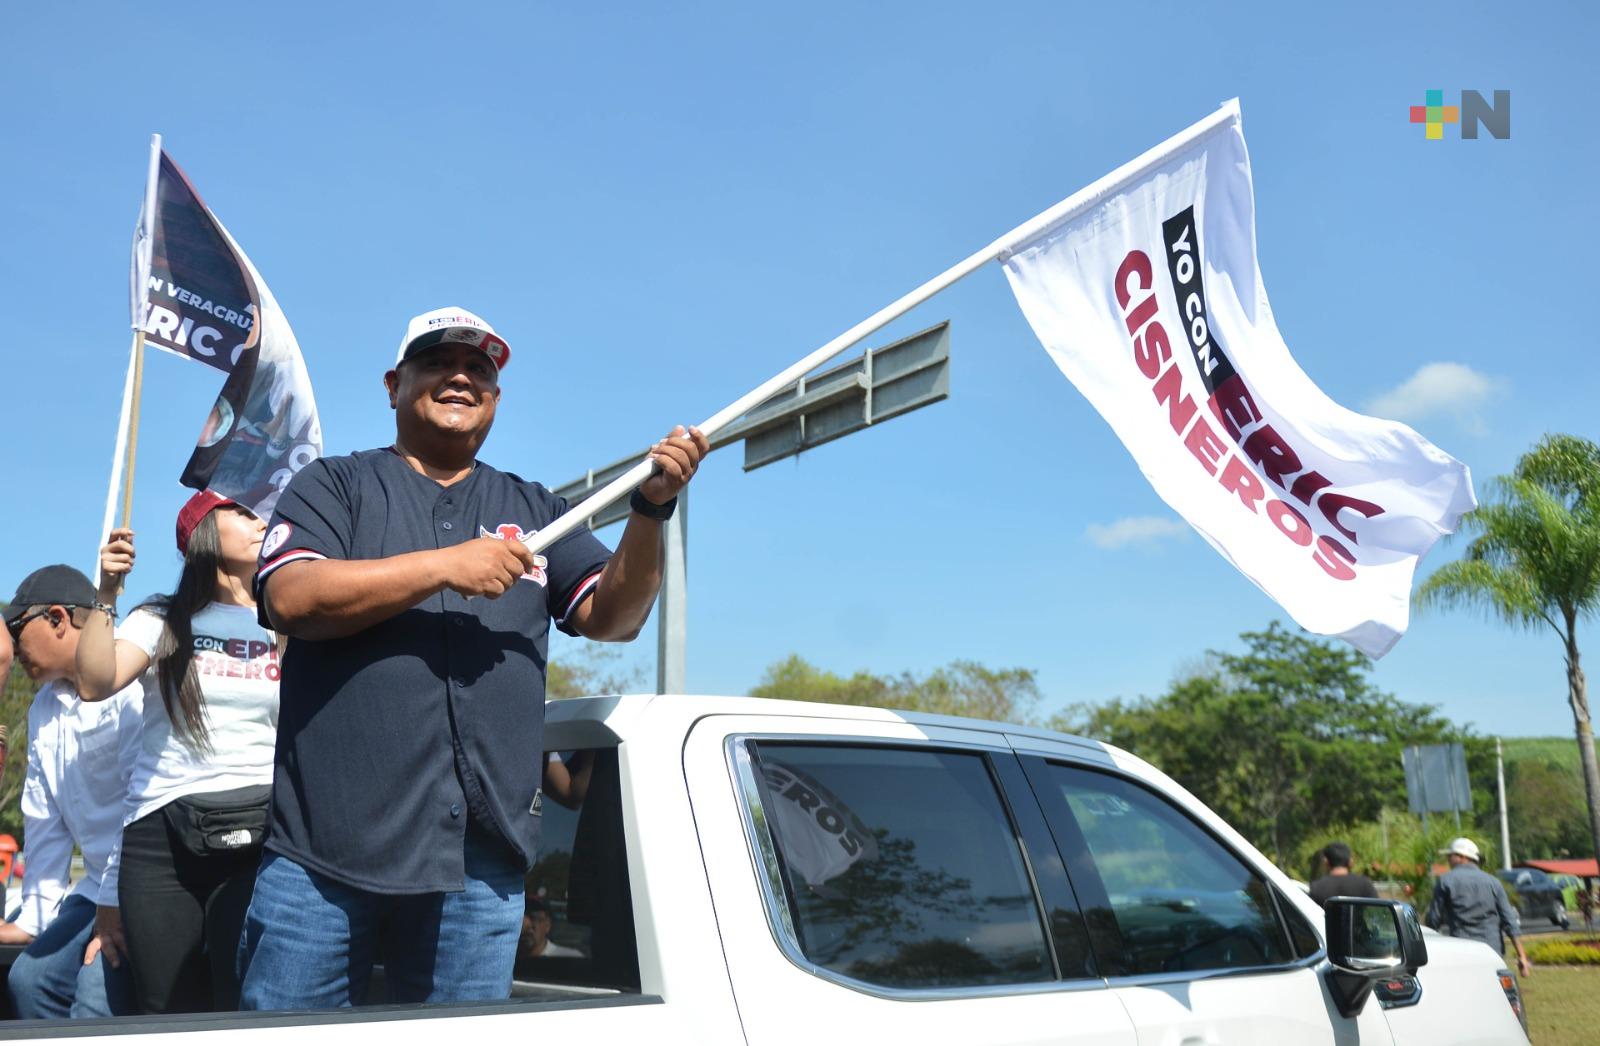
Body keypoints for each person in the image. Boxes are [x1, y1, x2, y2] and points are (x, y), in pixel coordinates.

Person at [237, 307, 709, 1009]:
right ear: (394, 385)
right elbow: (292, 597)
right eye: (437, 363)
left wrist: (651, 510)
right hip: (324, 861)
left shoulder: (538, 507)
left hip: (481, 869)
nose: (460, 375)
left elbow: (615, 617)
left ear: (495, 396)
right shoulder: (334, 485)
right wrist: (444, 566)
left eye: (479, 369)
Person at [75, 491, 280, 1013]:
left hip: (262, 832)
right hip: (160, 839)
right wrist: (107, 592)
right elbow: (95, 682)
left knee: (248, 1004)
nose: (261, 520)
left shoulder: (287, 621)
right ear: (203, 531)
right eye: (242, 511)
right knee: (166, 1009)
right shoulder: (161, 619)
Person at [0, 566, 139, 1019]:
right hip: (95, 886)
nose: (12, 646)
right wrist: (33, 920)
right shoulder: (43, 709)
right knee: (29, 981)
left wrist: (115, 905)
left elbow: (141, 804)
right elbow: (44, 820)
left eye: (17, 628)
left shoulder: (128, 686)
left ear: (59, 618)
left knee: (94, 998)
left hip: (140, 886)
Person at [1424, 837, 1532, 977]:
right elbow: (1509, 921)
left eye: (1451, 856)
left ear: (1462, 857)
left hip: (1461, 953)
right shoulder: (1493, 882)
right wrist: (1522, 956)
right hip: (1493, 952)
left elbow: (1433, 920)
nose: (1448, 860)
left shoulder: (1446, 881)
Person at [517, 896, 583, 968]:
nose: (527, 925)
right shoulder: (506, 959)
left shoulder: (572, 959)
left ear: (547, 925)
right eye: (521, 919)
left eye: (534, 918)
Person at [1308, 841, 1378, 908]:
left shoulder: (1316, 887)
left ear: (1326, 862)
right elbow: (1377, 911)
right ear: (1350, 862)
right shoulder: (1365, 884)